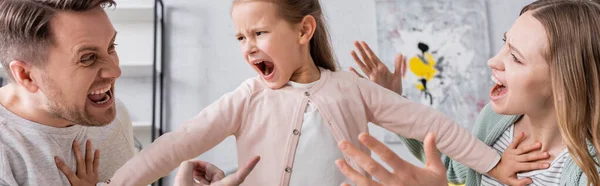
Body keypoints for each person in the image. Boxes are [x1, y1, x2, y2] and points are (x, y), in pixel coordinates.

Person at [97, 0, 539, 185]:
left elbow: (430, 125)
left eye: (260, 32)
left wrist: (494, 164)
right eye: (239, 38)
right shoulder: (247, 98)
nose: (248, 46)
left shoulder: (353, 89)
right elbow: (176, 145)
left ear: (304, 30)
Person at [337, 0, 600, 185]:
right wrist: (394, 101)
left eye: (516, 58)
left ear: (566, 85)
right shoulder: (495, 122)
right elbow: (454, 164)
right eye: (504, 44)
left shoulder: (589, 170)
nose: (493, 61)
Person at [0, 0, 252, 185]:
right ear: (27, 75)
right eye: (87, 58)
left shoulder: (112, 114)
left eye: (111, 46)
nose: (115, 70)